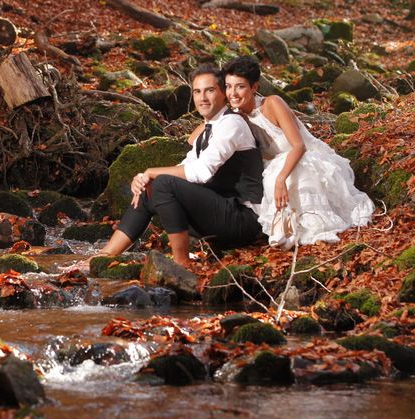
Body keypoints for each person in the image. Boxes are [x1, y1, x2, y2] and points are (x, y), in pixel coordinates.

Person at [97, 64, 264, 266]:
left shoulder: (232, 124)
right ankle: (103, 258)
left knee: (163, 183)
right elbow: (185, 166)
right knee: (148, 188)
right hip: (220, 212)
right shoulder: (209, 128)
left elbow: (202, 172)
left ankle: (180, 264)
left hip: (243, 220)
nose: (202, 98)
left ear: (223, 94)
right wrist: (143, 177)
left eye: (210, 90)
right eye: (197, 92)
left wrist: (153, 172)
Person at [222, 56, 375, 249]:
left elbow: (299, 146)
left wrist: (280, 179)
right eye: (228, 86)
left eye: (240, 86)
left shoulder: (272, 103)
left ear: (254, 87)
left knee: (285, 177)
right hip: (274, 167)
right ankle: (286, 229)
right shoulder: (236, 118)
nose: (232, 93)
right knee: (269, 179)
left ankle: (311, 229)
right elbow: (196, 138)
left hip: (306, 158)